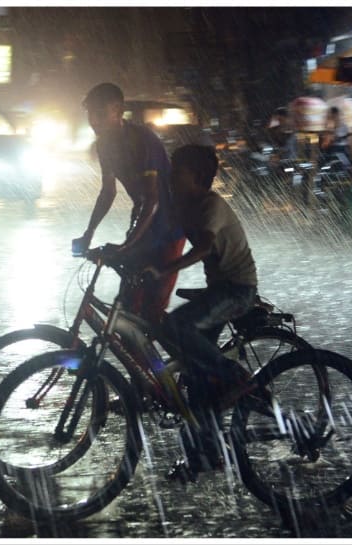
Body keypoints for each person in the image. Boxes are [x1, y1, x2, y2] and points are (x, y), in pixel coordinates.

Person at [143, 144, 267, 483]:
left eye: (177, 171)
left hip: (237, 289)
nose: (171, 176)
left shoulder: (210, 205)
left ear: (197, 177)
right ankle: (204, 456)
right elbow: (156, 231)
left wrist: (165, 267)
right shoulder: (185, 205)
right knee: (195, 375)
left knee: (177, 325)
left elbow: (206, 246)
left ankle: (234, 374)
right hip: (217, 290)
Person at [72, 83, 186, 324]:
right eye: (90, 114)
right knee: (126, 306)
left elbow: (153, 200)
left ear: (118, 110)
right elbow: (108, 192)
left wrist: (128, 244)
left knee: (150, 314)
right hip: (142, 223)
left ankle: (168, 359)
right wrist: (88, 233)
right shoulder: (104, 145)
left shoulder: (141, 140)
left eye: (100, 114)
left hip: (167, 228)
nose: (94, 121)